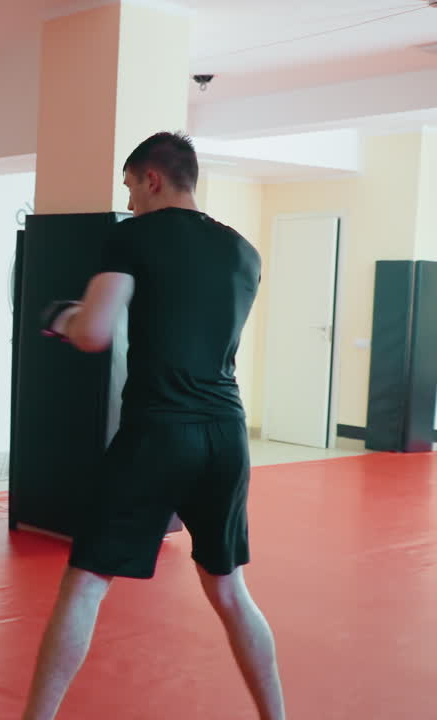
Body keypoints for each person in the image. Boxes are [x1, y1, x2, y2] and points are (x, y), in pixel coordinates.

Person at [21, 132, 286, 720]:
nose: (131, 201)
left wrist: (64, 317)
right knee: (228, 590)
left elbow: (94, 332)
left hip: (158, 432)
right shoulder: (245, 250)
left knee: (86, 584)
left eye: (131, 188)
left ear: (153, 179)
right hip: (226, 434)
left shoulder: (132, 236)